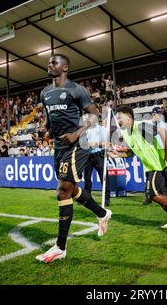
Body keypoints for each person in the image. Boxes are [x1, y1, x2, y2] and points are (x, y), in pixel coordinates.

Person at [35, 54, 112, 263]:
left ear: (65, 67)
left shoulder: (76, 89)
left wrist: (77, 133)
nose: (49, 64)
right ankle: (102, 213)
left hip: (78, 145)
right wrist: (46, 129)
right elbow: (49, 117)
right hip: (59, 147)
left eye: (54, 62)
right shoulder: (45, 93)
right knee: (72, 190)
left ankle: (60, 247)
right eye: (49, 62)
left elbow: (94, 116)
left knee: (62, 191)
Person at [110, 105, 167, 229]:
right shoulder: (126, 132)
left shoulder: (141, 126)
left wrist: (166, 153)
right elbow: (130, 152)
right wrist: (117, 154)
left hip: (158, 165)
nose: (118, 121)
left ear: (128, 117)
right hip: (150, 167)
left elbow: (162, 132)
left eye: (120, 118)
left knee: (152, 194)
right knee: (156, 195)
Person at [83, 117, 111, 206]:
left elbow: (107, 143)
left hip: (98, 155)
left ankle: (106, 199)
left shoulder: (101, 129)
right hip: (87, 155)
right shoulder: (85, 130)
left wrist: (94, 144)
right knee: (87, 178)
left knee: (104, 177)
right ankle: (86, 199)